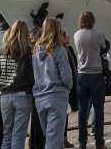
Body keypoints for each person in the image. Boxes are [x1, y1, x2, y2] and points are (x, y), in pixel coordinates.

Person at [0, 21, 34, 149]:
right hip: (22, 95)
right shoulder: (27, 51)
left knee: (7, 135)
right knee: (18, 136)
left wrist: (0, 88)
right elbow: (32, 75)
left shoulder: (1, 51)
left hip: (5, 96)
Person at [32, 17, 72, 149]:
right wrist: (69, 87)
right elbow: (66, 76)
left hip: (39, 98)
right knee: (53, 141)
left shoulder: (35, 52)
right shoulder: (60, 50)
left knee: (54, 138)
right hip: (56, 97)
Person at [72, 11, 107, 149]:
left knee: (82, 109)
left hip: (81, 74)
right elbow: (104, 47)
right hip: (96, 75)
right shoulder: (98, 34)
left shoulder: (76, 34)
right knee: (98, 110)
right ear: (93, 20)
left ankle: (82, 142)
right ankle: (99, 143)